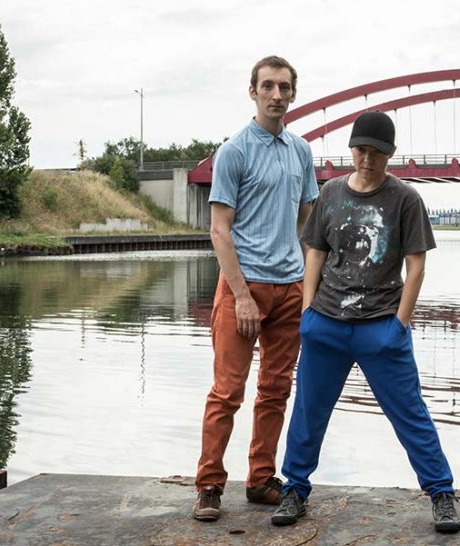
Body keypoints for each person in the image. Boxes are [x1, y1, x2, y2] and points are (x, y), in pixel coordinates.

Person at [271, 111, 460, 534]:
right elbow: (316, 253)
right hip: (326, 323)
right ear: (351, 149)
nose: (367, 159)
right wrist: (307, 314)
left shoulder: (405, 199)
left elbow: (416, 267)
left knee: (410, 413)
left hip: (381, 327)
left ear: (390, 155)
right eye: (360, 150)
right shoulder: (331, 193)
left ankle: (441, 493)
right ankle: (295, 489)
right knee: (308, 411)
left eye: (376, 153)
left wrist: (400, 325)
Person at [192, 55, 319, 522]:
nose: (276, 95)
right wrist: (241, 294)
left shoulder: (301, 152)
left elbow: (307, 219)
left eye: (284, 87)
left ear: (293, 93)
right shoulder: (234, 152)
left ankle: (261, 479)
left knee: (275, 390)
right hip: (243, 289)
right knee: (227, 391)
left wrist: (306, 281)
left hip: (289, 290)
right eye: (268, 86)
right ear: (253, 92)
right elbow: (219, 231)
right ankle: (208, 484)